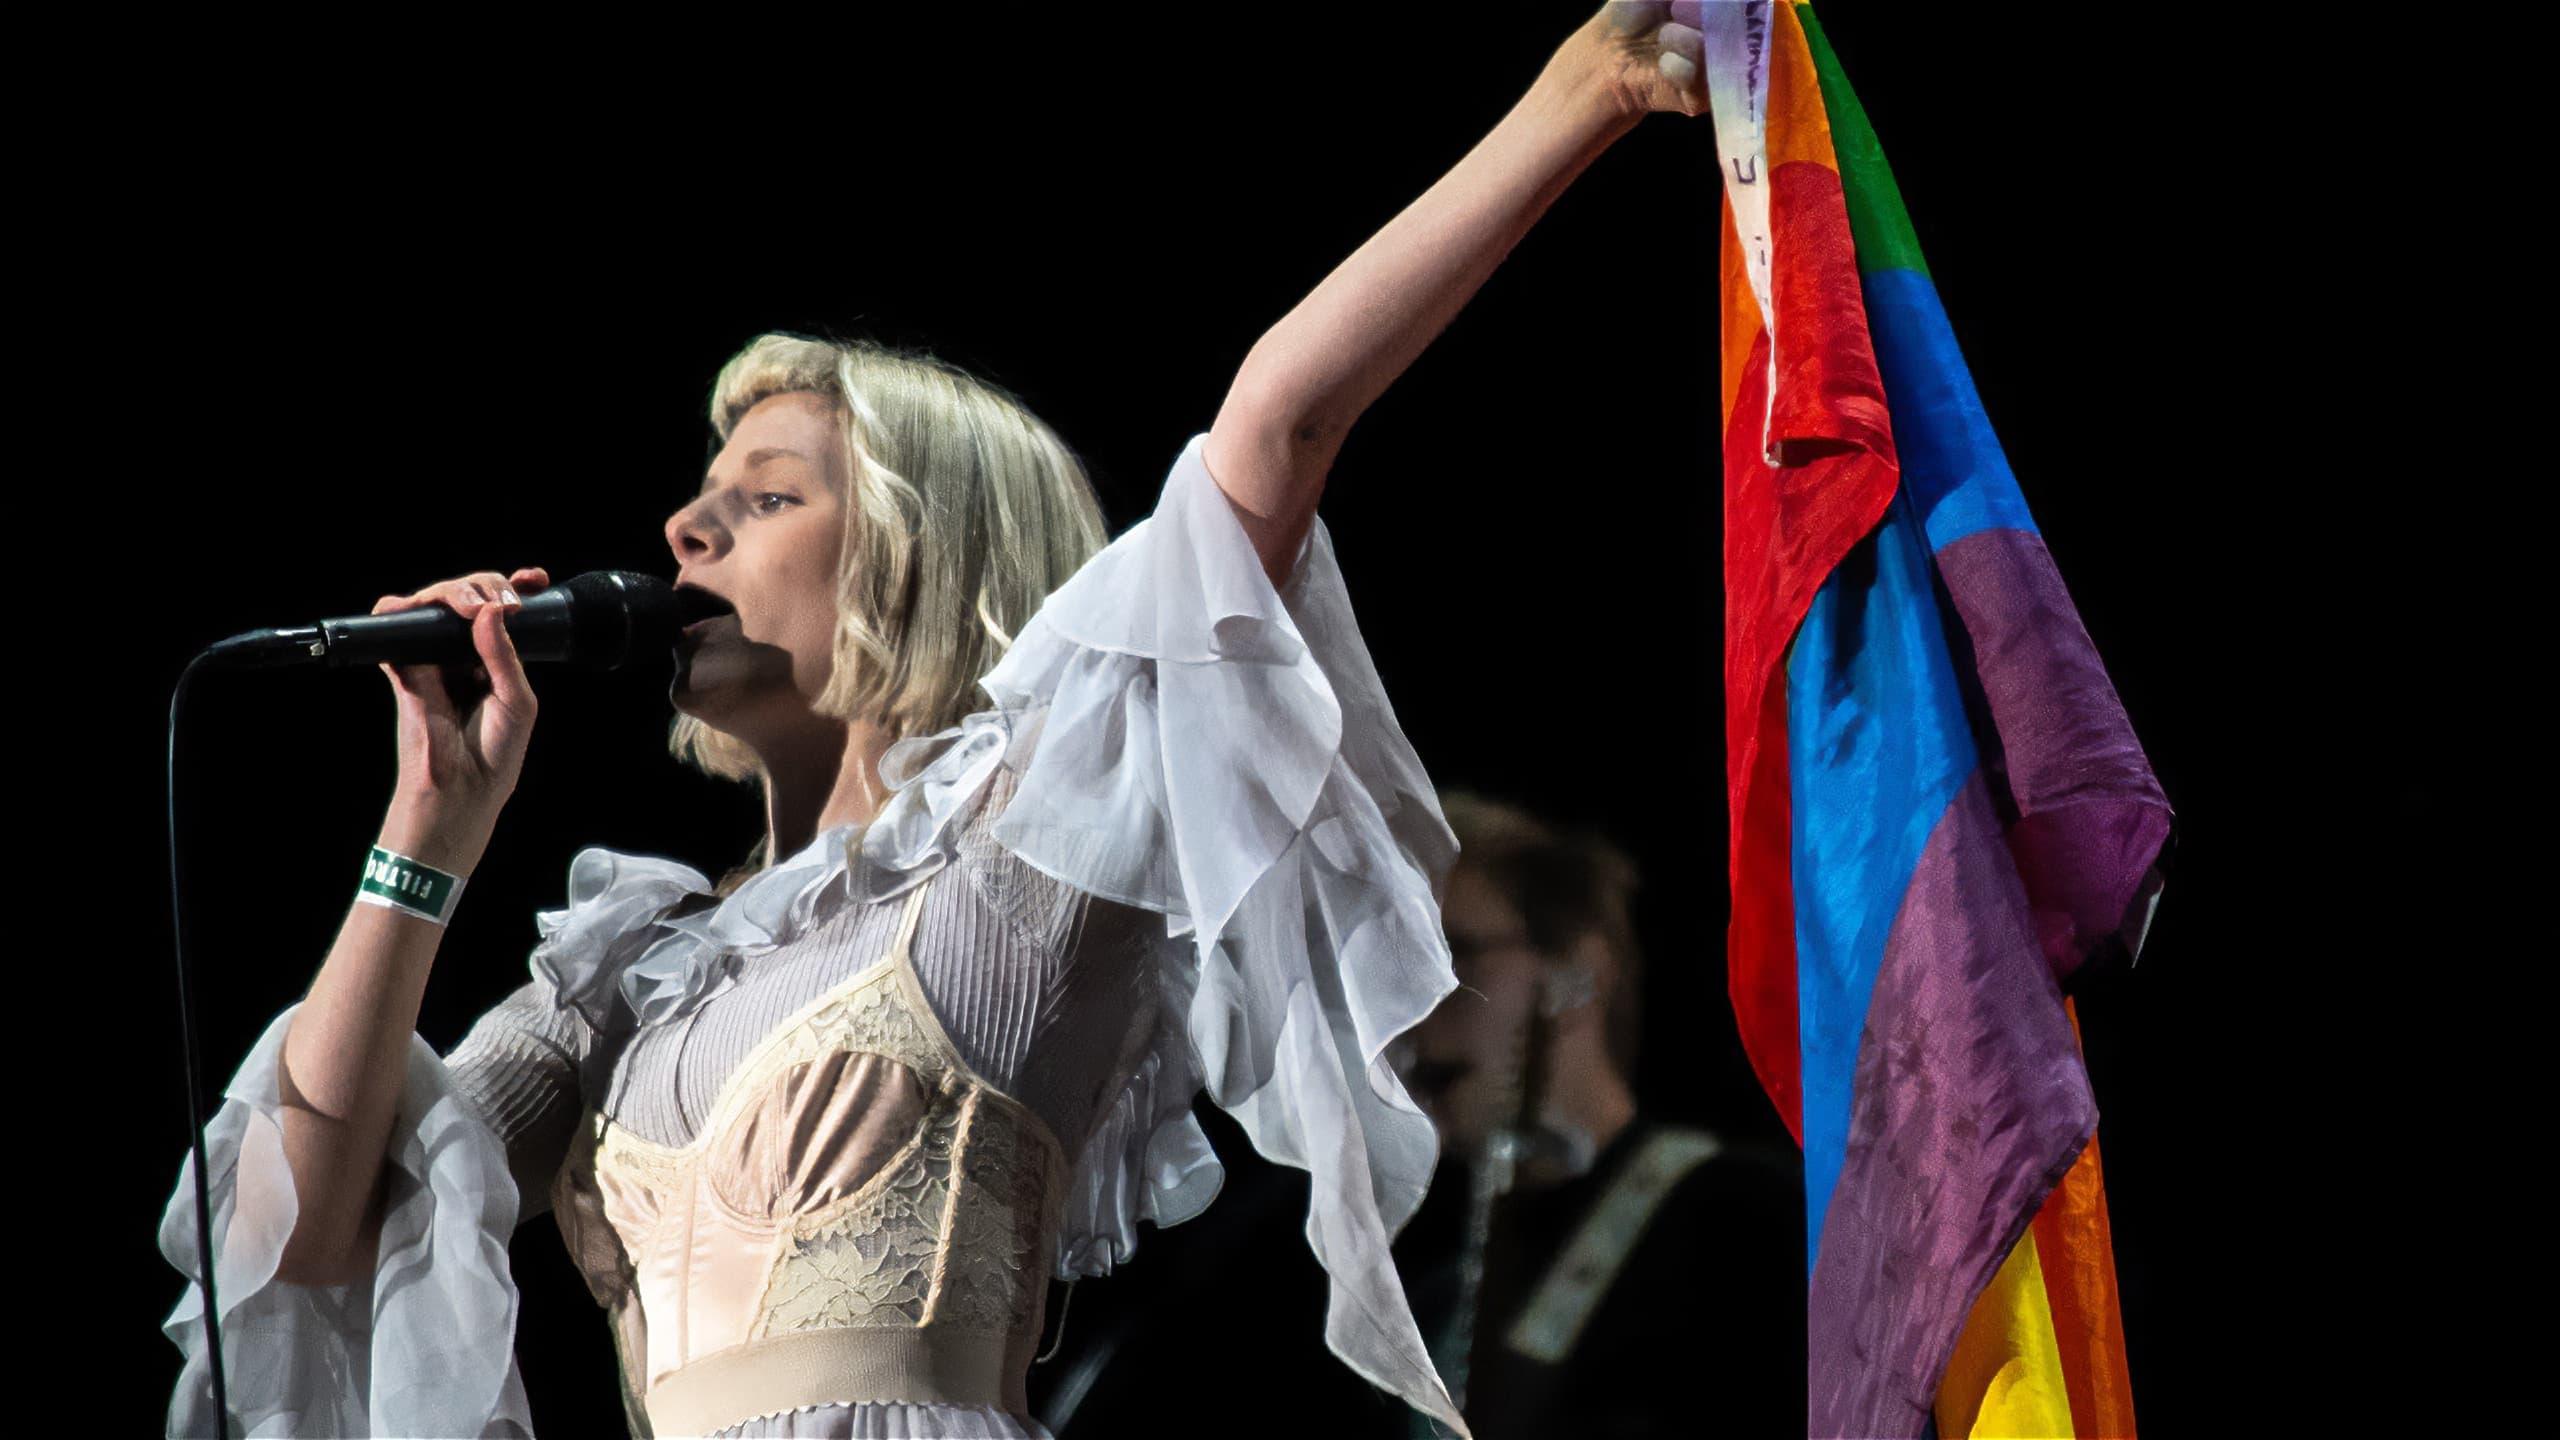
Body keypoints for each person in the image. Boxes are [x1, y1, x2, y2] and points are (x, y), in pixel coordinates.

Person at [156, 7, 1718, 1437]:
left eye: (764, 498)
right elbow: (301, 1226)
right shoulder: (628, 975)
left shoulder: (1026, 855)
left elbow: (1276, 424)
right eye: (698, 501)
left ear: (920, 551)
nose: (684, 536)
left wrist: (1579, 92)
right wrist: (421, 838)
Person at [1394, 789, 1806, 1438]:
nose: (1406, 1016)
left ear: (1576, 973)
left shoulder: (1742, 1217)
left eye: (1447, 958)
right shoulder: (1434, 1306)